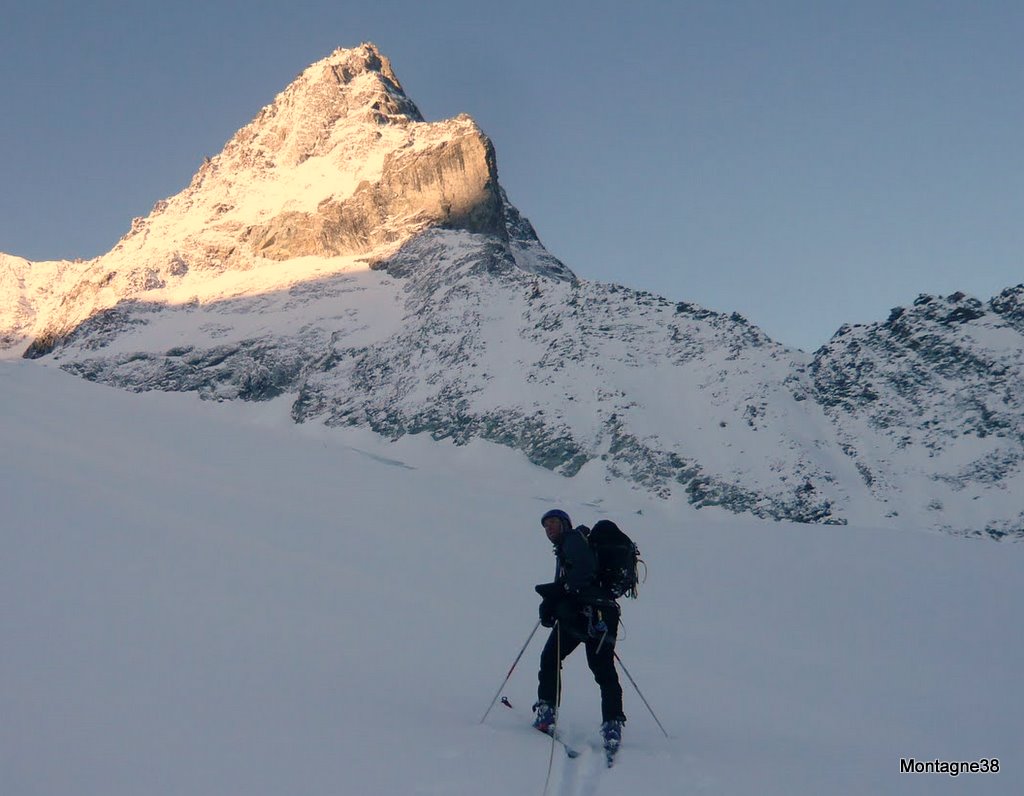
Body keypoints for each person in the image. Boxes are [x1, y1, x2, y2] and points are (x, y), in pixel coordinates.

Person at [532, 508, 626, 755]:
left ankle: (547, 711)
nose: (548, 529)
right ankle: (613, 725)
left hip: (580, 614)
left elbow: (583, 572)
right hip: (602, 615)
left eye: (552, 523)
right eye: (545, 525)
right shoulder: (570, 545)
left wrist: (556, 597)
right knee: (603, 668)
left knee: (551, 658)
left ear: (564, 524)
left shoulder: (572, 540)